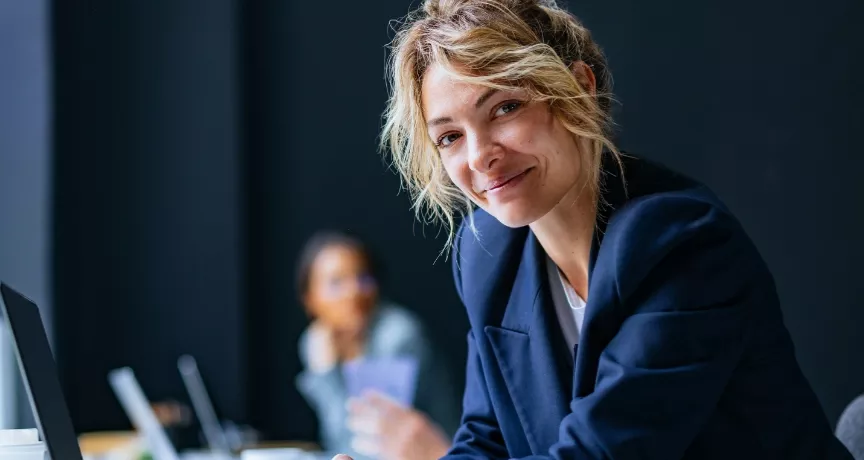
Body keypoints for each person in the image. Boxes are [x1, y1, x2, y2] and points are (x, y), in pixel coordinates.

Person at [332, 0, 853, 459]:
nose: (480, 155)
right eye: (448, 137)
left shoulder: (681, 243)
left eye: (506, 107)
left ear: (579, 87)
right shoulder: (486, 254)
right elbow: (485, 441)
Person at [294, 231, 460, 460]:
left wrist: (326, 375)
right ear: (310, 299)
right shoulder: (317, 341)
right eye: (336, 282)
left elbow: (371, 446)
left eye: (363, 278)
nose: (354, 291)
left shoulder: (399, 335)